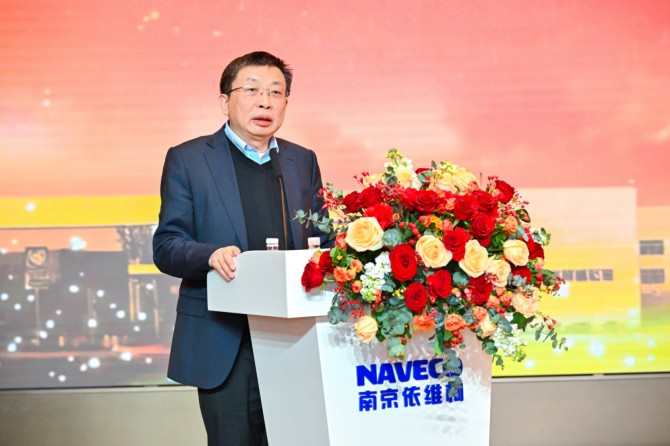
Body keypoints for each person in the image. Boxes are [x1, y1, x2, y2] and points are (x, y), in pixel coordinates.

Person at [153, 51, 329, 445]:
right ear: (224, 102)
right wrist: (209, 255)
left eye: (275, 92)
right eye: (251, 90)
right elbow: (166, 245)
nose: (265, 102)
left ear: (286, 103)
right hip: (226, 340)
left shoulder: (301, 161)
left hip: (295, 340)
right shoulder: (189, 159)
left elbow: (324, 236)